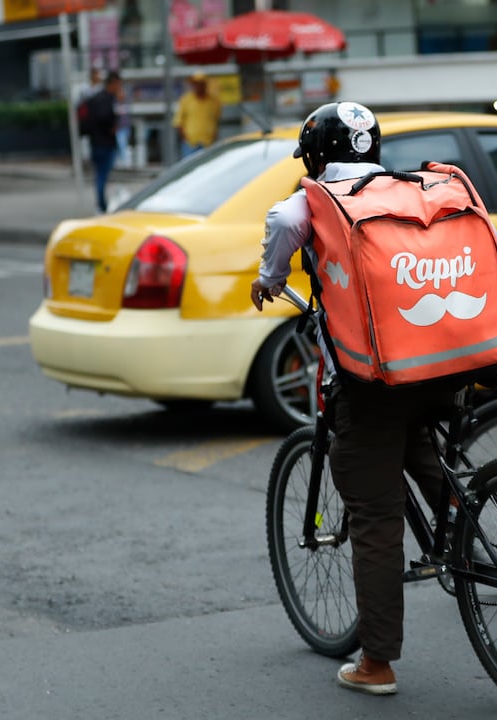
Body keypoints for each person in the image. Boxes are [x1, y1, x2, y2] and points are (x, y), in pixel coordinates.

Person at [249, 102, 455, 696]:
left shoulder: (311, 202)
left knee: (373, 517)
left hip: (371, 382)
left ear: (315, 156)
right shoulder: (408, 188)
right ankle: (465, 528)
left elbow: (281, 232)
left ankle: (377, 663)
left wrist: (269, 278)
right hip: (440, 364)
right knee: (419, 446)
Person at [84, 71, 124, 213]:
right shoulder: (108, 99)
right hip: (105, 142)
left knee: (100, 175)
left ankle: (101, 203)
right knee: (102, 175)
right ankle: (101, 205)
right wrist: (112, 125)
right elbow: (107, 118)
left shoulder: (94, 98)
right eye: (118, 84)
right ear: (113, 83)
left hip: (95, 141)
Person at [173, 72, 221, 158]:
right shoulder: (185, 100)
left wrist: (213, 138)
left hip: (208, 143)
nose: (198, 86)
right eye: (195, 84)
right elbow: (178, 123)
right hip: (190, 144)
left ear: (205, 84)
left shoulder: (214, 102)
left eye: (201, 83)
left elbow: (216, 120)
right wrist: (187, 140)